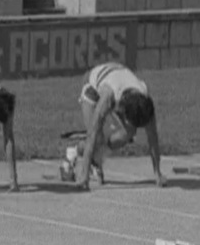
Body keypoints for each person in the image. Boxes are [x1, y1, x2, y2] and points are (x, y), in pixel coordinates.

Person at [71, 62, 166, 191]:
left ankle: (97, 156)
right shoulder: (108, 96)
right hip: (93, 86)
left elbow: (153, 138)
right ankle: (74, 153)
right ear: (123, 110)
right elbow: (92, 133)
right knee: (97, 138)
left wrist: (157, 173)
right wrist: (84, 177)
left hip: (119, 79)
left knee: (129, 132)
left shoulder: (144, 99)